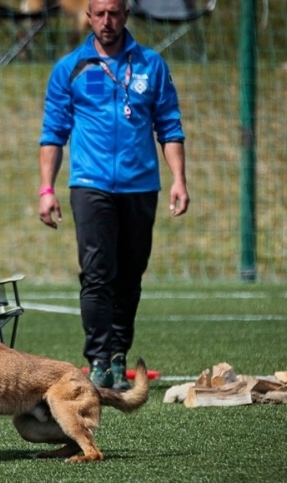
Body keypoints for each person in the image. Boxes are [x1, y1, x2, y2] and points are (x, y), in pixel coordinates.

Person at [37, 0, 190, 390]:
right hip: (90, 185)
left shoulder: (151, 65)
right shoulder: (69, 68)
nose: (108, 21)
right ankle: (99, 360)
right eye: (100, 13)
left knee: (130, 274)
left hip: (141, 186)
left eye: (115, 13)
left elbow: (169, 126)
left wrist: (179, 180)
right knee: (96, 274)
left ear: (126, 14)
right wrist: (46, 189)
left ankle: (120, 355)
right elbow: (53, 133)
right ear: (89, 15)